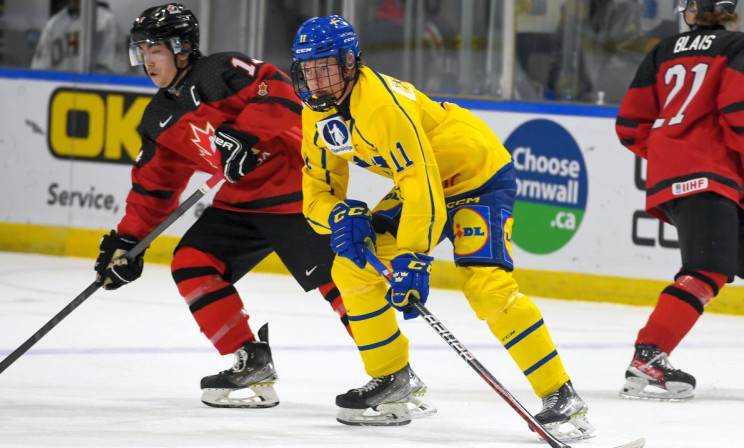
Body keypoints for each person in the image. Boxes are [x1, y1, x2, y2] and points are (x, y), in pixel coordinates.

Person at [290, 15, 594, 439]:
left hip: (477, 178)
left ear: (350, 63)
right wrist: (339, 216)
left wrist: (414, 259)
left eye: (325, 67)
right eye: (307, 68)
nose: (316, 79)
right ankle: (393, 379)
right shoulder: (315, 113)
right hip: (424, 187)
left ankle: (561, 395)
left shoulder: (379, 106)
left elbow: (422, 185)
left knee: (488, 288)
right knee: (350, 269)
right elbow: (316, 194)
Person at [92, 3, 361, 409]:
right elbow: (154, 187)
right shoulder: (159, 116)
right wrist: (129, 242)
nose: (147, 61)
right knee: (192, 262)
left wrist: (244, 134)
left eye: (156, 51)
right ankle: (249, 358)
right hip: (240, 202)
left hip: (294, 190)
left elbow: (282, 91)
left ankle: (392, 369)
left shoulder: (219, 71)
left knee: (337, 281)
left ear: (183, 49)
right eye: (142, 52)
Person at [615, 0, 744, 401]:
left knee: (713, 265)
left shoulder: (663, 49)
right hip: (713, 173)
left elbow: (629, 126)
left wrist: (672, 155)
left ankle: (650, 353)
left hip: (677, 175)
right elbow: (738, 111)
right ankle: (649, 356)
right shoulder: (737, 47)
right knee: (707, 268)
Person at [31, 0, 127, 73]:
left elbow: (116, 70)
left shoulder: (106, 21)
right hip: (59, 91)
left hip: (95, 92)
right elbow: (39, 69)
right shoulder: (53, 25)